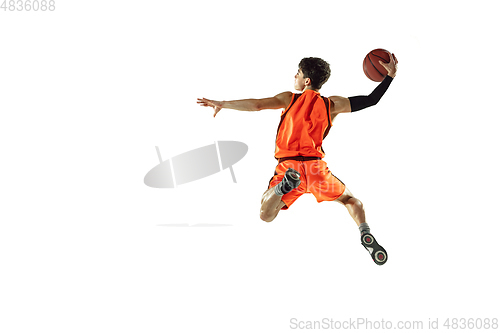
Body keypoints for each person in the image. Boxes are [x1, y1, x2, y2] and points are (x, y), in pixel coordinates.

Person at [197, 54, 398, 265]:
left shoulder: (289, 99)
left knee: (266, 214)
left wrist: (223, 103)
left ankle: (282, 188)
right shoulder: (332, 104)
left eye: (298, 74)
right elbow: (370, 100)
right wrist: (389, 77)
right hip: (316, 169)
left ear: (307, 81)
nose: (295, 76)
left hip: (288, 166)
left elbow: (257, 105)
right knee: (352, 201)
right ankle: (364, 232)